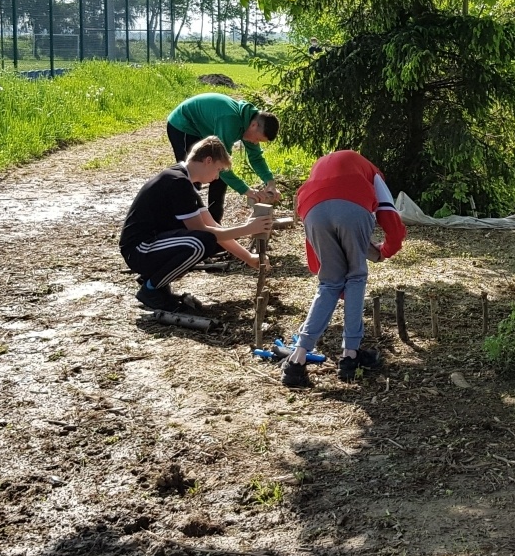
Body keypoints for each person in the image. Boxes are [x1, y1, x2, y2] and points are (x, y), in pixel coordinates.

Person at [279, 149, 406, 389]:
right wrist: (387, 250)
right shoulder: (373, 173)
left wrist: (323, 268)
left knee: (329, 283)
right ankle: (350, 355)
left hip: (310, 209)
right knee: (356, 277)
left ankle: (297, 360)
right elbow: (388, 214)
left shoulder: (320, 168)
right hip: (352, 205)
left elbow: (339, 232)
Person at [120, 136, 275, 313]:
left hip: (152, 246)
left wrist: (248, 257)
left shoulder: (186, 183)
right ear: (208, 161)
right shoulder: (177, 182)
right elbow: (202, 232)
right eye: (218, 170)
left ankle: (157, 285)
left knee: (205, 241)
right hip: (140, 249)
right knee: (198, 244)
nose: (217, 177)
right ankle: (150, 290)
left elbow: (213, 226)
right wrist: (247, 229)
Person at [164, 92, 280, 218]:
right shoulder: (230, 120)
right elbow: (220, 160)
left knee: (218, 175)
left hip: (205, 127)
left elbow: (256, 157)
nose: (255, 143)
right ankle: (186, 220)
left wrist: (270, 182)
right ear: (254, 125)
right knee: (192, 175)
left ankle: (214, 222)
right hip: (184, 124)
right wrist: (246, 190)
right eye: (257, 139)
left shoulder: (250, 125)